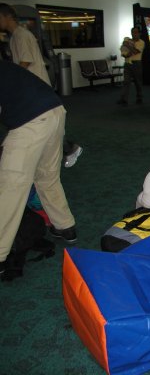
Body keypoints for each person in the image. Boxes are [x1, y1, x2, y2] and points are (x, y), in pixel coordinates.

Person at [0, 61, 78, 275]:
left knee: (11, 186)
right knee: (47, 177)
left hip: (31, 120)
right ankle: (65, 226)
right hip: (55, 110)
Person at [0, 3, 83, 168]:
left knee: (46, 127)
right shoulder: (16, 36)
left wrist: (10, 82)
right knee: (48, 129)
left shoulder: (21, 35)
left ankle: (68, 148)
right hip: (33, 91)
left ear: (6, 17)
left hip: (35, 90)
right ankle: (64, 149)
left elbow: (25, 62)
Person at [117, 27, 145, 106]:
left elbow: (135, 51)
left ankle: (139, 98)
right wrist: (127, 50)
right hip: (127, 64)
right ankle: (124, 99)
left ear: (139, 33)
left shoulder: (141, 42)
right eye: (132, 32)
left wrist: (128, 46)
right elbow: (124, 52)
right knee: (126, 82)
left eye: (136, 32)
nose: (134, 34)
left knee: (138, 82)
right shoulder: (127, 40)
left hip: (137, 64)